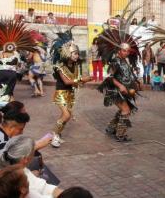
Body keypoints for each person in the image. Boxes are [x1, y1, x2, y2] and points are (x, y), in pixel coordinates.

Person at [97, 12, 142, 142]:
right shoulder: (115, 61)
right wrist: (121, 85)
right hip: (116, 91)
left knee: (124, 110)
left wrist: (135, 81)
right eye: (124, 50)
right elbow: (110, 76)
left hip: (125, 91)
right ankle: (120, 134)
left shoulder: (124, 61)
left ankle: (111, 128)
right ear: (119, 50)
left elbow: (127, 74)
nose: (126, 53)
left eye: (128, 51)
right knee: (126, 111)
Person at [49, 30, 93, 148]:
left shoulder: (76, 65)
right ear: (67, 53)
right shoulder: (59, 66)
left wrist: (86, 79)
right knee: (66, 115)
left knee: (65, 116)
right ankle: (54, 136)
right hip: (61, 93)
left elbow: (77, 79)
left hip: (70, 94)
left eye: (77, 53)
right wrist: (83, 80)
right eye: (74, 53)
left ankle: (57, 134)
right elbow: (67, 81)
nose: (77, 55)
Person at [0, 135, 64, 197]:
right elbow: (40, 189)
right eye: (33, 153)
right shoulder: (22, 179)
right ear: (25, 159)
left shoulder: (5, 163)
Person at [0, 19, 36, 106]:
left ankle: (6, 109)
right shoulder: (16, 54)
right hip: (12, 74)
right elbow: (19, 65)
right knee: (9, 92)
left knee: (1, 91)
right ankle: (11, 110)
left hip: (0, 73)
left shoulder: (0, 53)